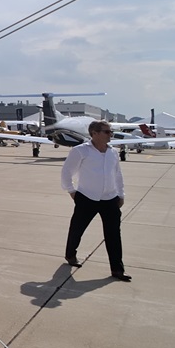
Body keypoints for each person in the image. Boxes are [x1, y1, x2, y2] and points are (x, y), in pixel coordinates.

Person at [61, 120, 130, 281]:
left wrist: (121, 194)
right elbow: (66, 172)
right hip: (87, 197)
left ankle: (117, 269)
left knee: (113, 234)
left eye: (110, 131)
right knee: (77, 229)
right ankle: (70, 254)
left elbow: (117, 174)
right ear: (95, 133)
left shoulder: (112, 152)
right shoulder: (81, 151)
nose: (110, 135)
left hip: (110, 198)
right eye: (107, 132)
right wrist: (71, 191)